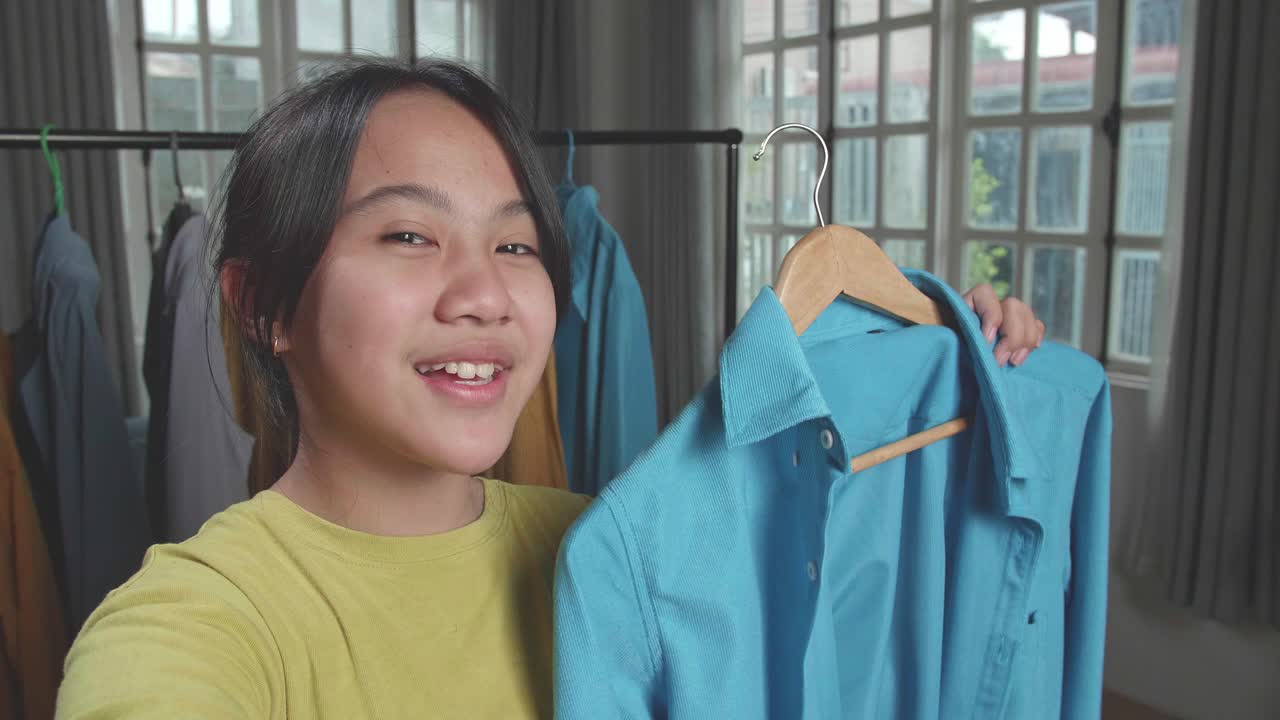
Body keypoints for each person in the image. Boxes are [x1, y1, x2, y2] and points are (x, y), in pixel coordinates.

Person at [55, 59, 1047, 719]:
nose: (486, 293)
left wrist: (953, 383)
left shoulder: (615, 544)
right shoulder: (196, 620)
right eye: (408, 234)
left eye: (517, 242)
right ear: (264, 301)